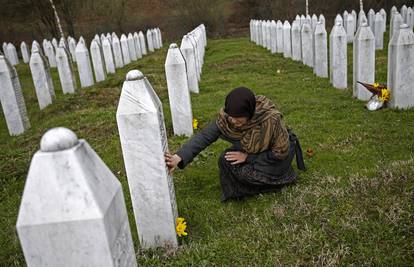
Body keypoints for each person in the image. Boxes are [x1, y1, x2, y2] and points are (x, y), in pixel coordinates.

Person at [165, 87, 305, 202]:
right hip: (254, 153)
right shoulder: (227, 119)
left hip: (275, 159)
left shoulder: (271, 119)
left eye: (238, 118)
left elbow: (280, 153)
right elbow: (204, 136)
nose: (233, 121)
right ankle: (239, 193)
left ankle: (284, 179)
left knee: (247, 174)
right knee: (225, 160)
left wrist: (247, 158)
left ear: (249, 113)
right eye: (231, 117)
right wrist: (179, 157)